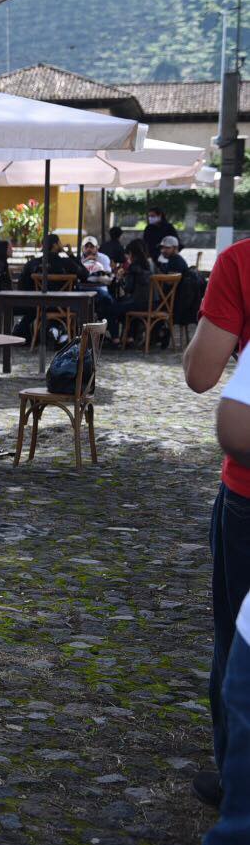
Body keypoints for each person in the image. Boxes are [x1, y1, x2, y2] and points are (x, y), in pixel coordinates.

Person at [184, 235, 250, 809]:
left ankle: (238, 780)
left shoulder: (241, 263)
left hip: (249, 492)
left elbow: (201, 374)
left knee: (238, 637)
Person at [107, 239, 154, 346]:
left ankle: (116, 339)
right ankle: (129, 337)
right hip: (155, 303)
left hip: (140, 304)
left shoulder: (133, 267)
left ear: (131, 254)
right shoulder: (150, 264)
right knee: (123, 305)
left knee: (110, 308)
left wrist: (121, 278)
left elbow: (128, 289)